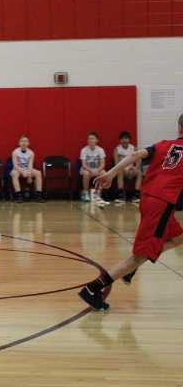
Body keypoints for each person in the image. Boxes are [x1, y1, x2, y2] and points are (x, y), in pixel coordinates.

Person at [78, 114, 183, 311]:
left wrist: (110, 173)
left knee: (178, 238)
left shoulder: (163, 145)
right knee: (139, 256)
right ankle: (93, 288)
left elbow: (135, 155)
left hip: (149, 198)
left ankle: (131, 269)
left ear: (179, 128)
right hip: (162, 204)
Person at [10, 135, 45, 203]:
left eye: (26, 141)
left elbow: (30, 165)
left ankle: (38, 195)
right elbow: (15, 165)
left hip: (27, 170)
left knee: (38, 173)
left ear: (28, 143)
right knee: (14, 174)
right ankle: (19, 196)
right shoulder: (15, 152)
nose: (24, 143)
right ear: (19, 143)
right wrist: (22, 172)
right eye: (22, 141)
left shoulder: (31, 153)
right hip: (18, 169)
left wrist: (29, 176)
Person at [113, 131, 142, 204]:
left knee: (139, 173)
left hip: (132, 169)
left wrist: (136, 168)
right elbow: (116, 164)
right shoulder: (117, 149)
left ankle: (136, 195)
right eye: (122, 139)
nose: (124, 140)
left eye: (126, 138)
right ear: (120, 140)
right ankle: (121, 196)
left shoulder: (133, 148)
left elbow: (139, 160)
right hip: (122, 169)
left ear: (129, 140)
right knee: (120, 171)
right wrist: (124, 168)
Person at [80, 132, 107, 203]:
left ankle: (98, 193)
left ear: (97, 140)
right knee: (86, 173)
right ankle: (85, 193)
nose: (90, 140)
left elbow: (103, 164)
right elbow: (84, 164)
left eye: (92, 138)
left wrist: (97, 170)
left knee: (104, 173)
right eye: (89, 139)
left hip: (97, 169)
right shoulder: (84, 150)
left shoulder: (100, 150)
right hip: (87, 169)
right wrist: (91, 170)